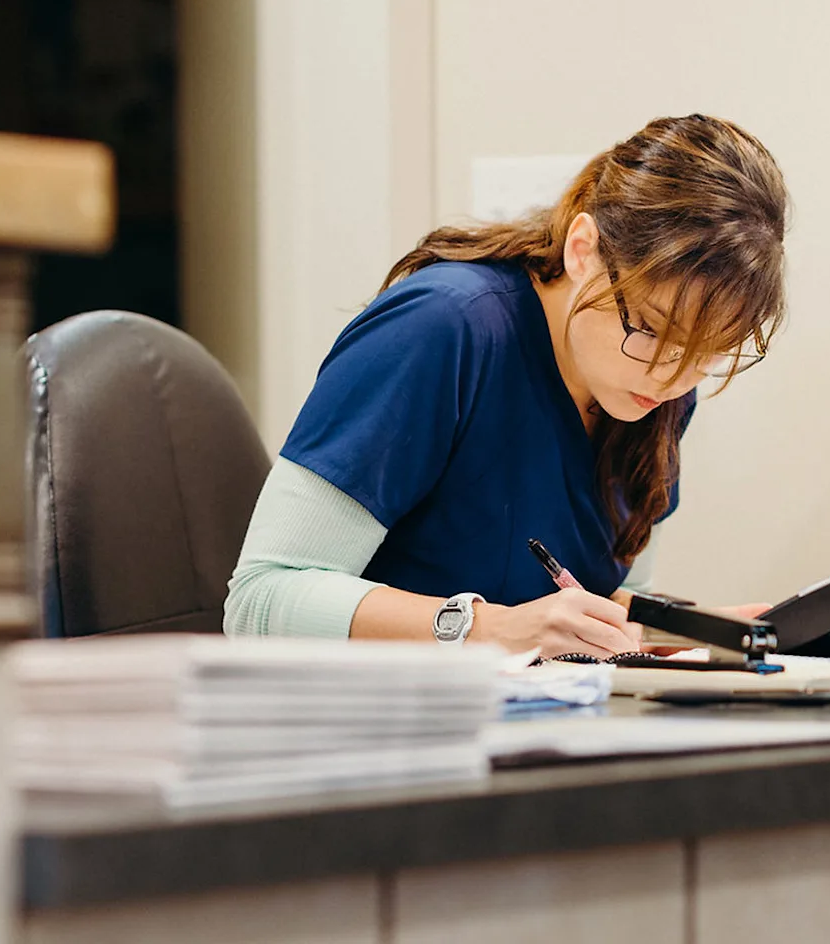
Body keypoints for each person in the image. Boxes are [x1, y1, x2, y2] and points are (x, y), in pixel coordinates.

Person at [224, 114, 788, 658]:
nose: (676, 378)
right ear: (583, 250)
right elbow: (261, 597)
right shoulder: (442, 330)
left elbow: (588, 603)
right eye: (652, 328)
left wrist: (684, 630)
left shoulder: (652, 393)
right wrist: (488, 628)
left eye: (709, 350)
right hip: (369, 726)